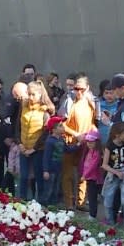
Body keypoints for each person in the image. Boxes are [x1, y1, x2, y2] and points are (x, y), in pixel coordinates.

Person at [62, 74, 96, 211]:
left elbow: (93, 122)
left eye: (81, 89)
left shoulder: (91, 103)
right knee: (68, 175)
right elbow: (61, 124)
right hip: (70, 142)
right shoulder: (69, 102)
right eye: (76, 89)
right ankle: (69, 203)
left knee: (84, 173)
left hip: (86, 143)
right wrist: (76, 134)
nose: (79, 92)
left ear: (87, 88)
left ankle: (81, 202)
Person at [14, 81, 51, 201]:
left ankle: (41, 203)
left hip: (38, 150)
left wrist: (33, 149)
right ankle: (22, 201)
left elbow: (45, 134)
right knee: (23, 177)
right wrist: (19, 143)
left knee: (39, 178)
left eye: (33, 94)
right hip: (23, 147)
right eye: (28, 94)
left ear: (40, 95)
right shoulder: (23, 106)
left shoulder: (45, 111)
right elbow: (17, 126)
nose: (30, 97)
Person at [41, 117, 78, 206]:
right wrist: (45, 170)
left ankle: (53, 206)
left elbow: (68, 150)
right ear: (54, 129)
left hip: (58, 168)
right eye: (60, 126)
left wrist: (78, 145)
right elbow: (46, 157)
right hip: (51, 169)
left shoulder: (61, 139)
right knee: (48, 189)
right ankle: (44, 206)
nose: (63, 128)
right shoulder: (50, 141)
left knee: (56, 188)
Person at [79, 130, 103, 218]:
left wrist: (84, 175)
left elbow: (92, 165)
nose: (89, 144)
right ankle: (92, 214)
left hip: (94, 178)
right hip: (89, 178)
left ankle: (92, 215)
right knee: (91, 197)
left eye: (92, 142)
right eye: (88, 142)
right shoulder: (88, 151)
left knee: (92, 197)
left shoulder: (96, 153)